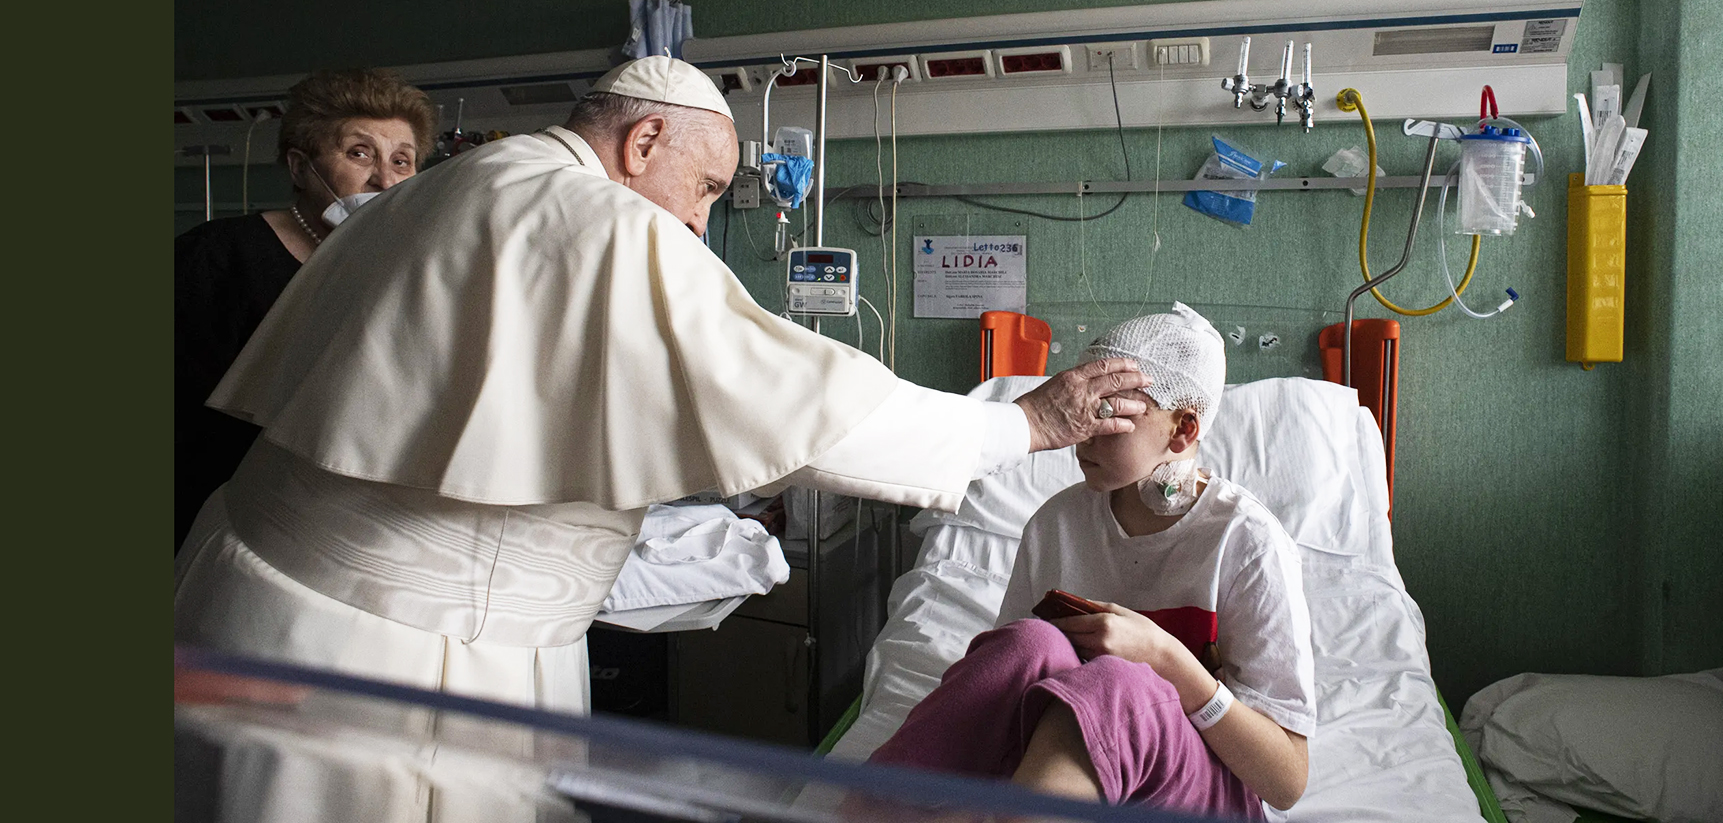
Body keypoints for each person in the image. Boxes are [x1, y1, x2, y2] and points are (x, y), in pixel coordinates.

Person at [173, 56, 1150, 716]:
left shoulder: (458, 182)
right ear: (642, 144)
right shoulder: (597, 215)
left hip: (267, 597)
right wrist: (1023, 422)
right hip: (381, 653)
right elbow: (799, 401)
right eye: (706, 188)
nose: (694, 223)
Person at [864, 303, 1315, 819]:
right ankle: (871, 808)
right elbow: (1012, 692)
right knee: (1024, 644)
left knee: (1115, 682)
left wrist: (1168, 662)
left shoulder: (1247, 543)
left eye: (1109, 414)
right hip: (1068, 772)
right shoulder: (1057, 524)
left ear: (1182, 431)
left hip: (1196, 792)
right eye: (1084, 406)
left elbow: (1286, 782)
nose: (1081, 429)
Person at [174, 68, 436, 549]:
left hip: (331, 525)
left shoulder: (409, 272)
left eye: (402, 161)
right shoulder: (214, 258)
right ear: (300, 168)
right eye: (360, 154)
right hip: (212, 510)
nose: (384, 178)